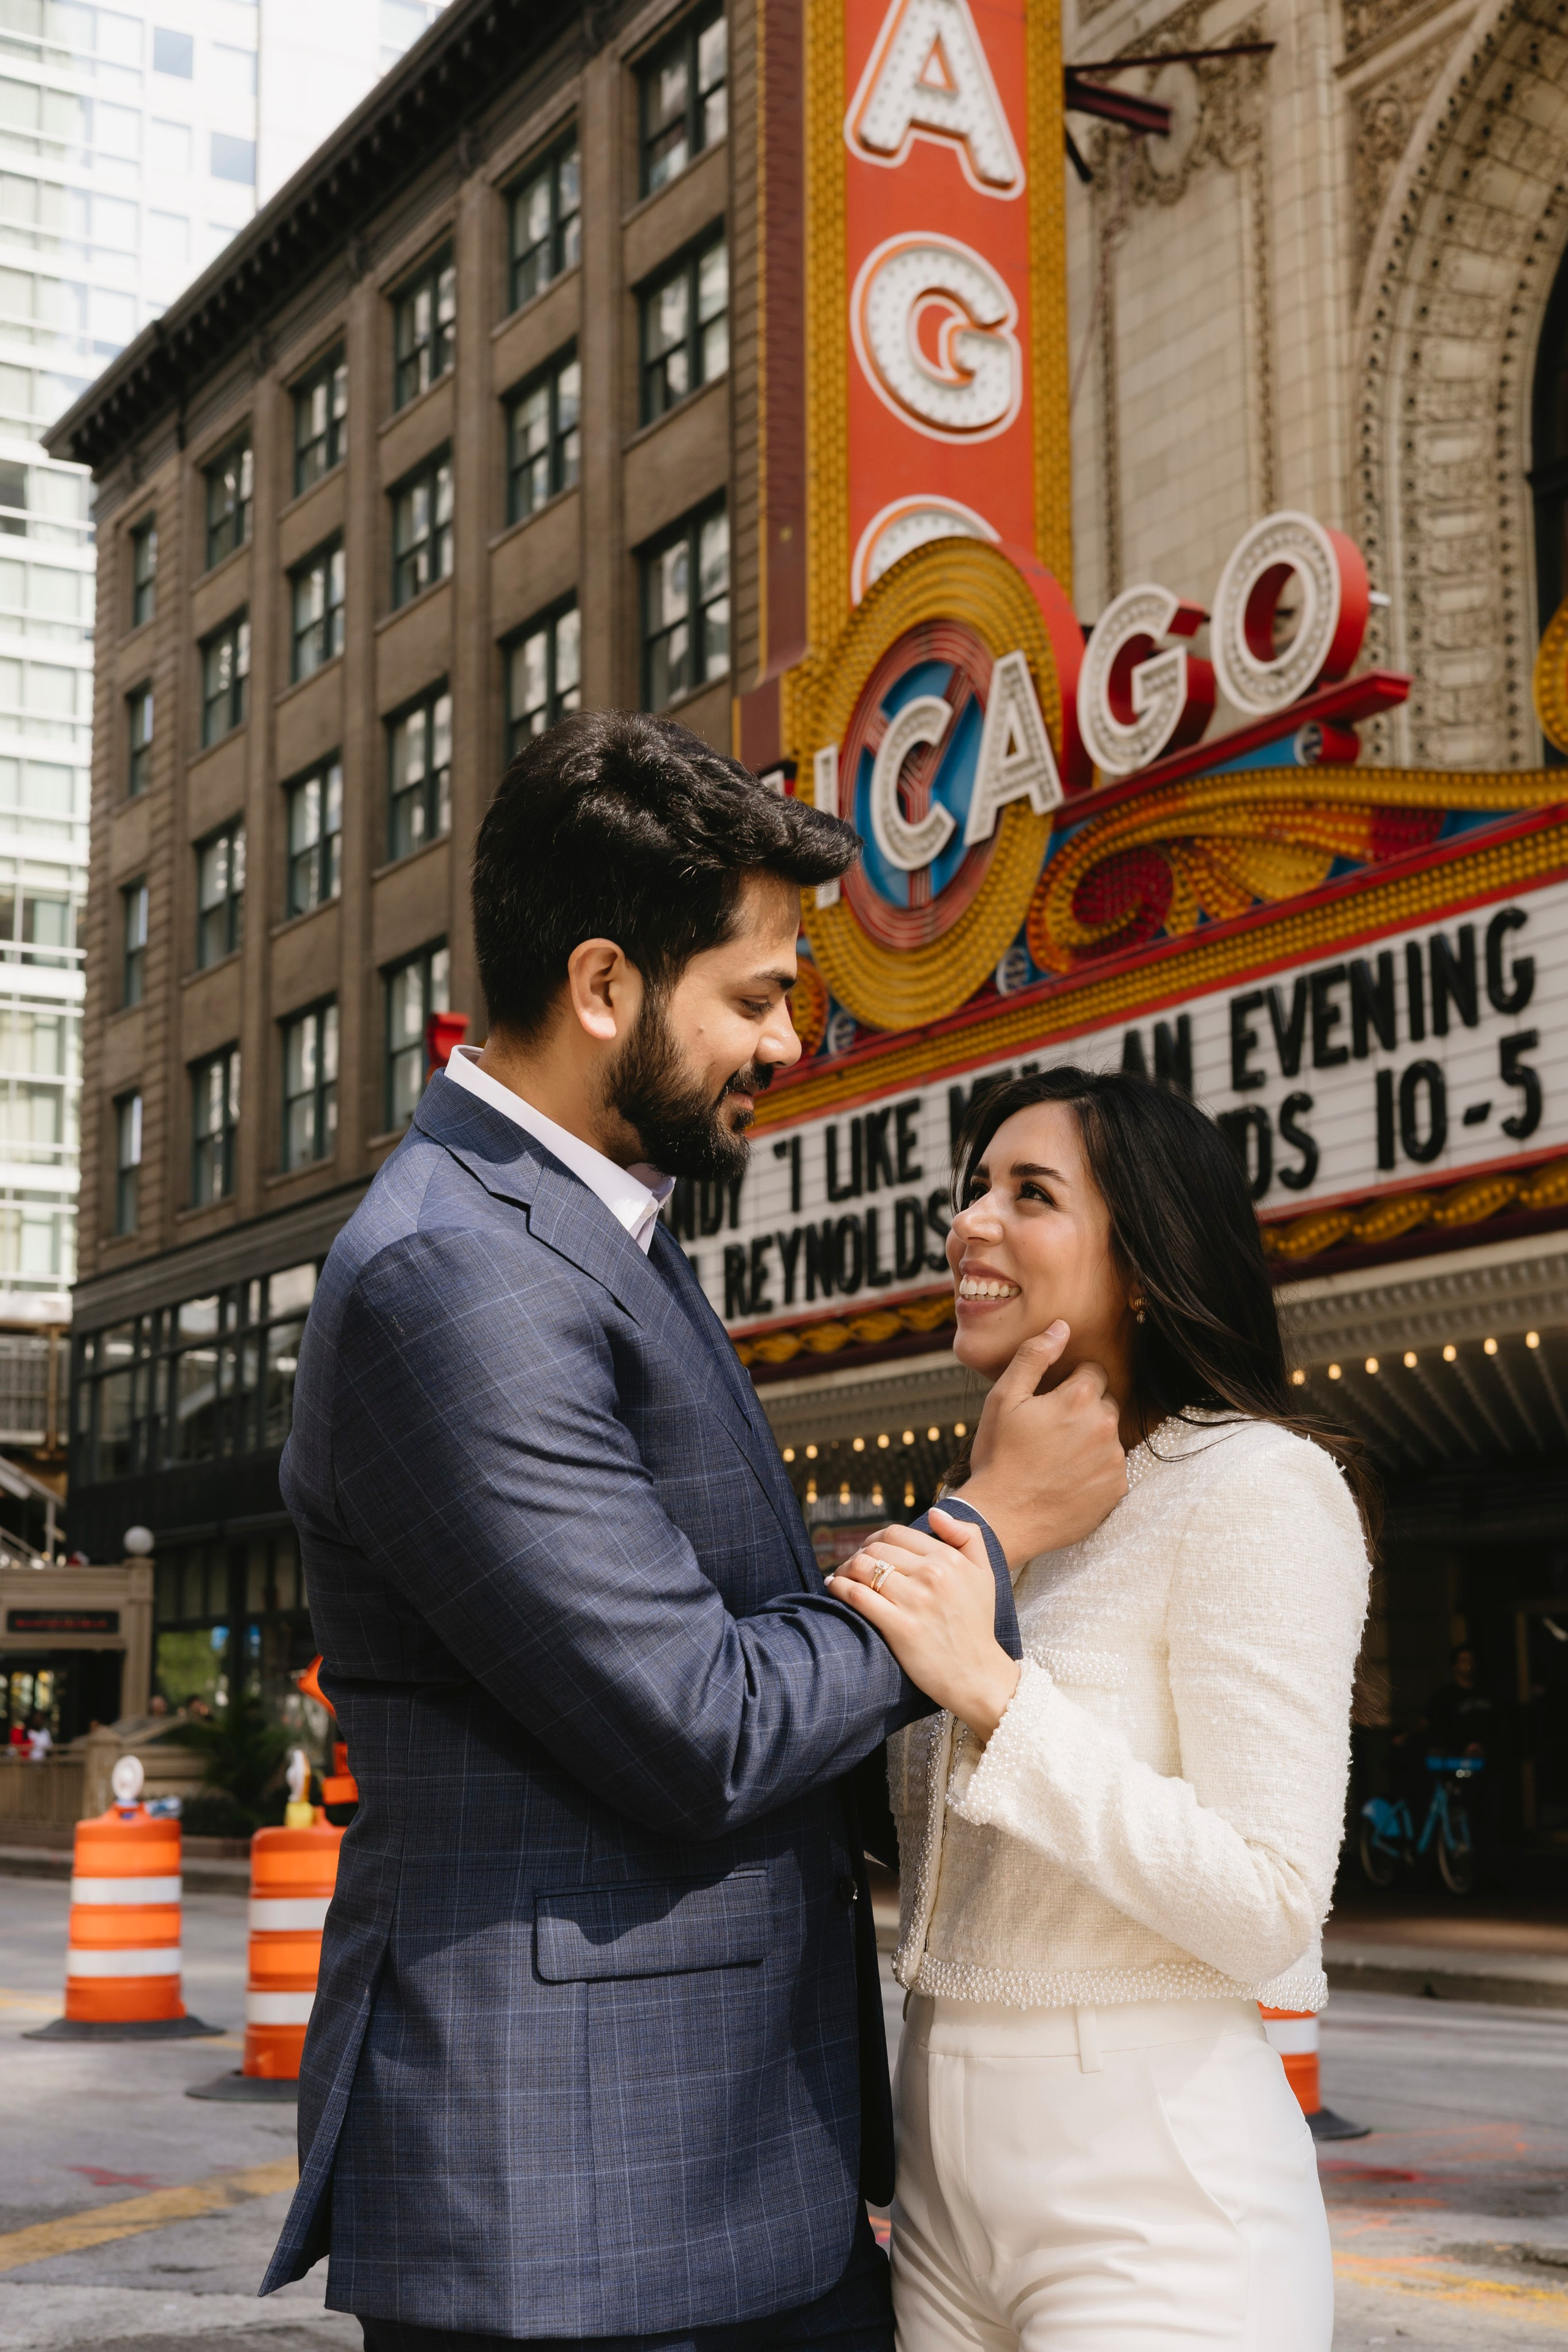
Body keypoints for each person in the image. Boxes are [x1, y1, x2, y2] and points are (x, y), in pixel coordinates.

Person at [260, 714, 1128, 2352]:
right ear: (604, 989)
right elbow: (700, 1721)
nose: (787, 1042)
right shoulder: (460, 1271)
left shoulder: (590, 1228)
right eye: (753, 996)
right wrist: (989, 1529)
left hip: (699, 2181)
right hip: (584, 2214)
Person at [829, 1067, 1374, 2352]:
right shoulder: (992, 1510)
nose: (970, 1221)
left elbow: (1267, 1903)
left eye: (1029, 1193)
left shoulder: (1254, 1485)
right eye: (971, 1190)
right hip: (938, 2197)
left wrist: (998, 1695)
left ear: (1141, 1260)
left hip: (1156, 2201)